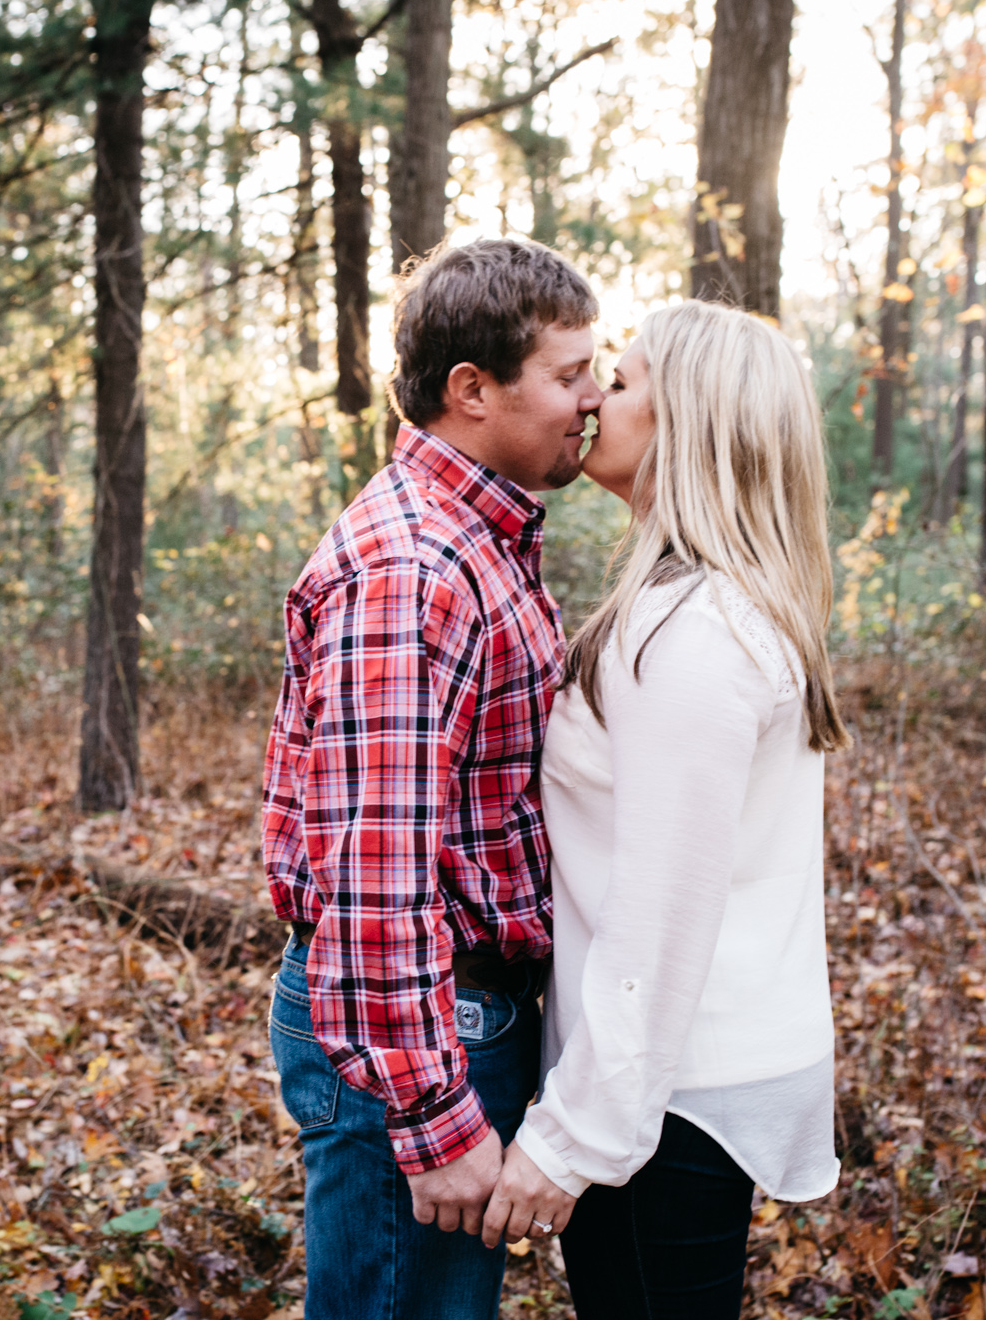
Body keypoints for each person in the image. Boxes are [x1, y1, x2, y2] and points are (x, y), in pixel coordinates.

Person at [480, 299, 852, 1318]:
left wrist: (573, 1139)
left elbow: (660, 915)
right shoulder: (699, 608)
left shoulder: (691, 638)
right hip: (673, 1078)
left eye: (626, 379)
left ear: (688, 423)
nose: (595, 394)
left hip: (668, 1094)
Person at [260, 237, 602, 1319]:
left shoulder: (473, 537)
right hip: (420, 1033)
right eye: (567, 374)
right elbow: (372, 870)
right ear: (471, 391)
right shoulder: (414, 572)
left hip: (449, 1018)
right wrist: (429, 1112)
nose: (590, 398)